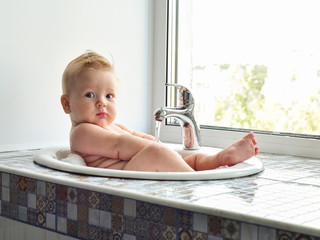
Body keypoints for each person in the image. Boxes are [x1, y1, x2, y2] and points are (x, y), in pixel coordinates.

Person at [61, 51, 259, 172]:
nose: (101, 103)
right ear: (67, 104)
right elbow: (120, 145)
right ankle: (196, 180)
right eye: (90, 95)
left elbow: (135, 136)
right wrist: (158, 148)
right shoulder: (82, 132)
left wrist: (161, 147)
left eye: (109, 96)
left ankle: (218, 160)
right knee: (159, 153)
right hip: (125, 177)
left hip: (140, 168)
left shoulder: (113, 126)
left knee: (185, 158)